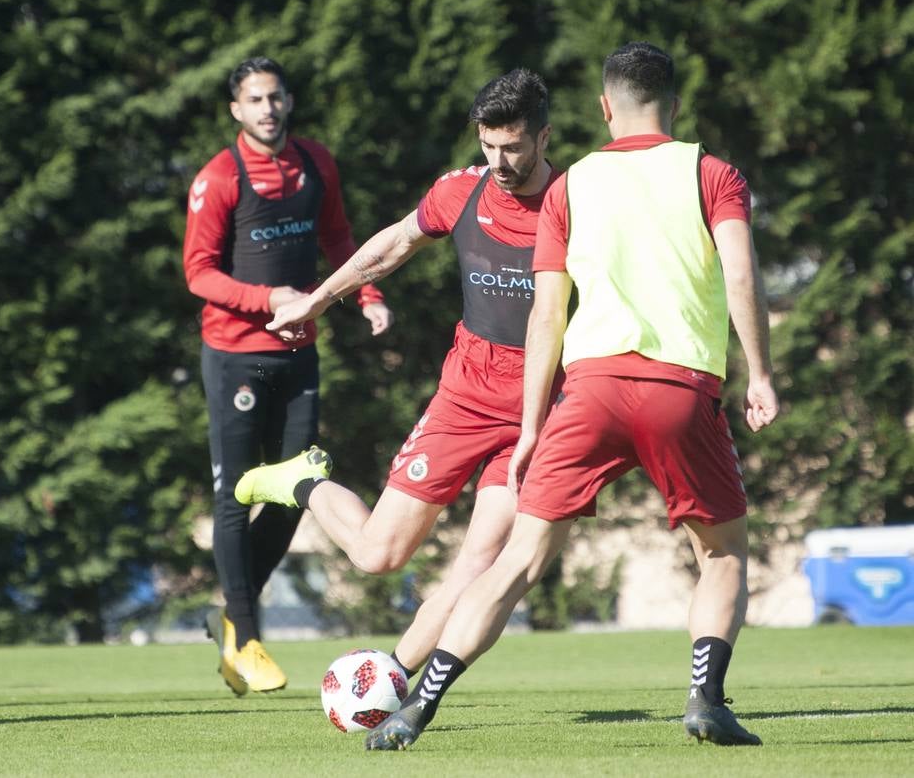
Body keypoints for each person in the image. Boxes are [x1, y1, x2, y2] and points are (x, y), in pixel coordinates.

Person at [364, 42, 779, 751]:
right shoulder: (712, 173)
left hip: (586, 392)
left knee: (519, 558)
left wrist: (530, 429)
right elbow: (741, 278)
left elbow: (546, 315)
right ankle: (705, 698)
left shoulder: (571, 185)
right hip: (679, 387)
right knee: (723, 553)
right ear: (673, 106)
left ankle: (416, 708)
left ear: (603, 108)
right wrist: (761, 373)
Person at [237, 69, 560, 676]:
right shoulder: (462, 192)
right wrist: (315, 299)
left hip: (538, 411)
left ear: (544, 138)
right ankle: (306, 481)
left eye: (512, 146)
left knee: (479, 562)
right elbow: (392, 245)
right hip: (464, 397)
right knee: (378, 555)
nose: (499, 161)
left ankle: (390, 681)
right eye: (487, 146)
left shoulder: (577, 202)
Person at [183, 56, 393, 694]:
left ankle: (231, 616)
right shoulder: (219, 178)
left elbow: (339, 239)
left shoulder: (315, 162)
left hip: (300, 351)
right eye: (254, 100)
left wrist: (367, 296)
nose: (268, 108)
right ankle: (246, 639)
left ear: (288, 101)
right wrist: (267, 298)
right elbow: (198, 274)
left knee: (305, 481)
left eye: (276, 97)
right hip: (235, 355)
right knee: (234, 493)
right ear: (236, 111)